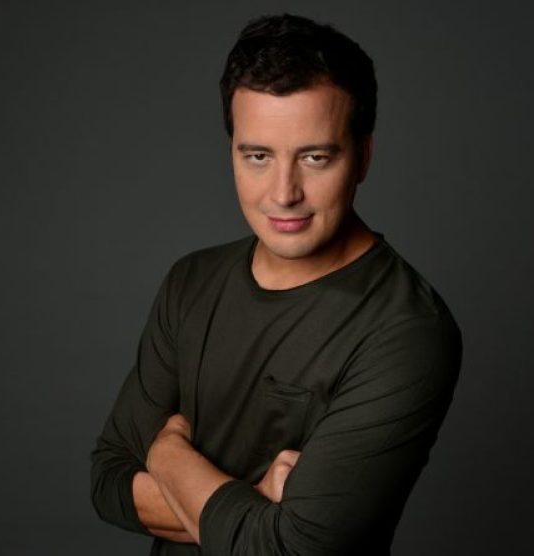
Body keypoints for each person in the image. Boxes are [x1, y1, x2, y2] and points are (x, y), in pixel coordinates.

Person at [90, 13, 462, 555]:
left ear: (363, 156)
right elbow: (108, 481)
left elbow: (285, 549)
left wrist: (166, 455)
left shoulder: (406, 330)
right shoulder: (190, 282)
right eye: (258, 156)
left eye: (315, 157)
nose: (284, 193)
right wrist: (253, 503)